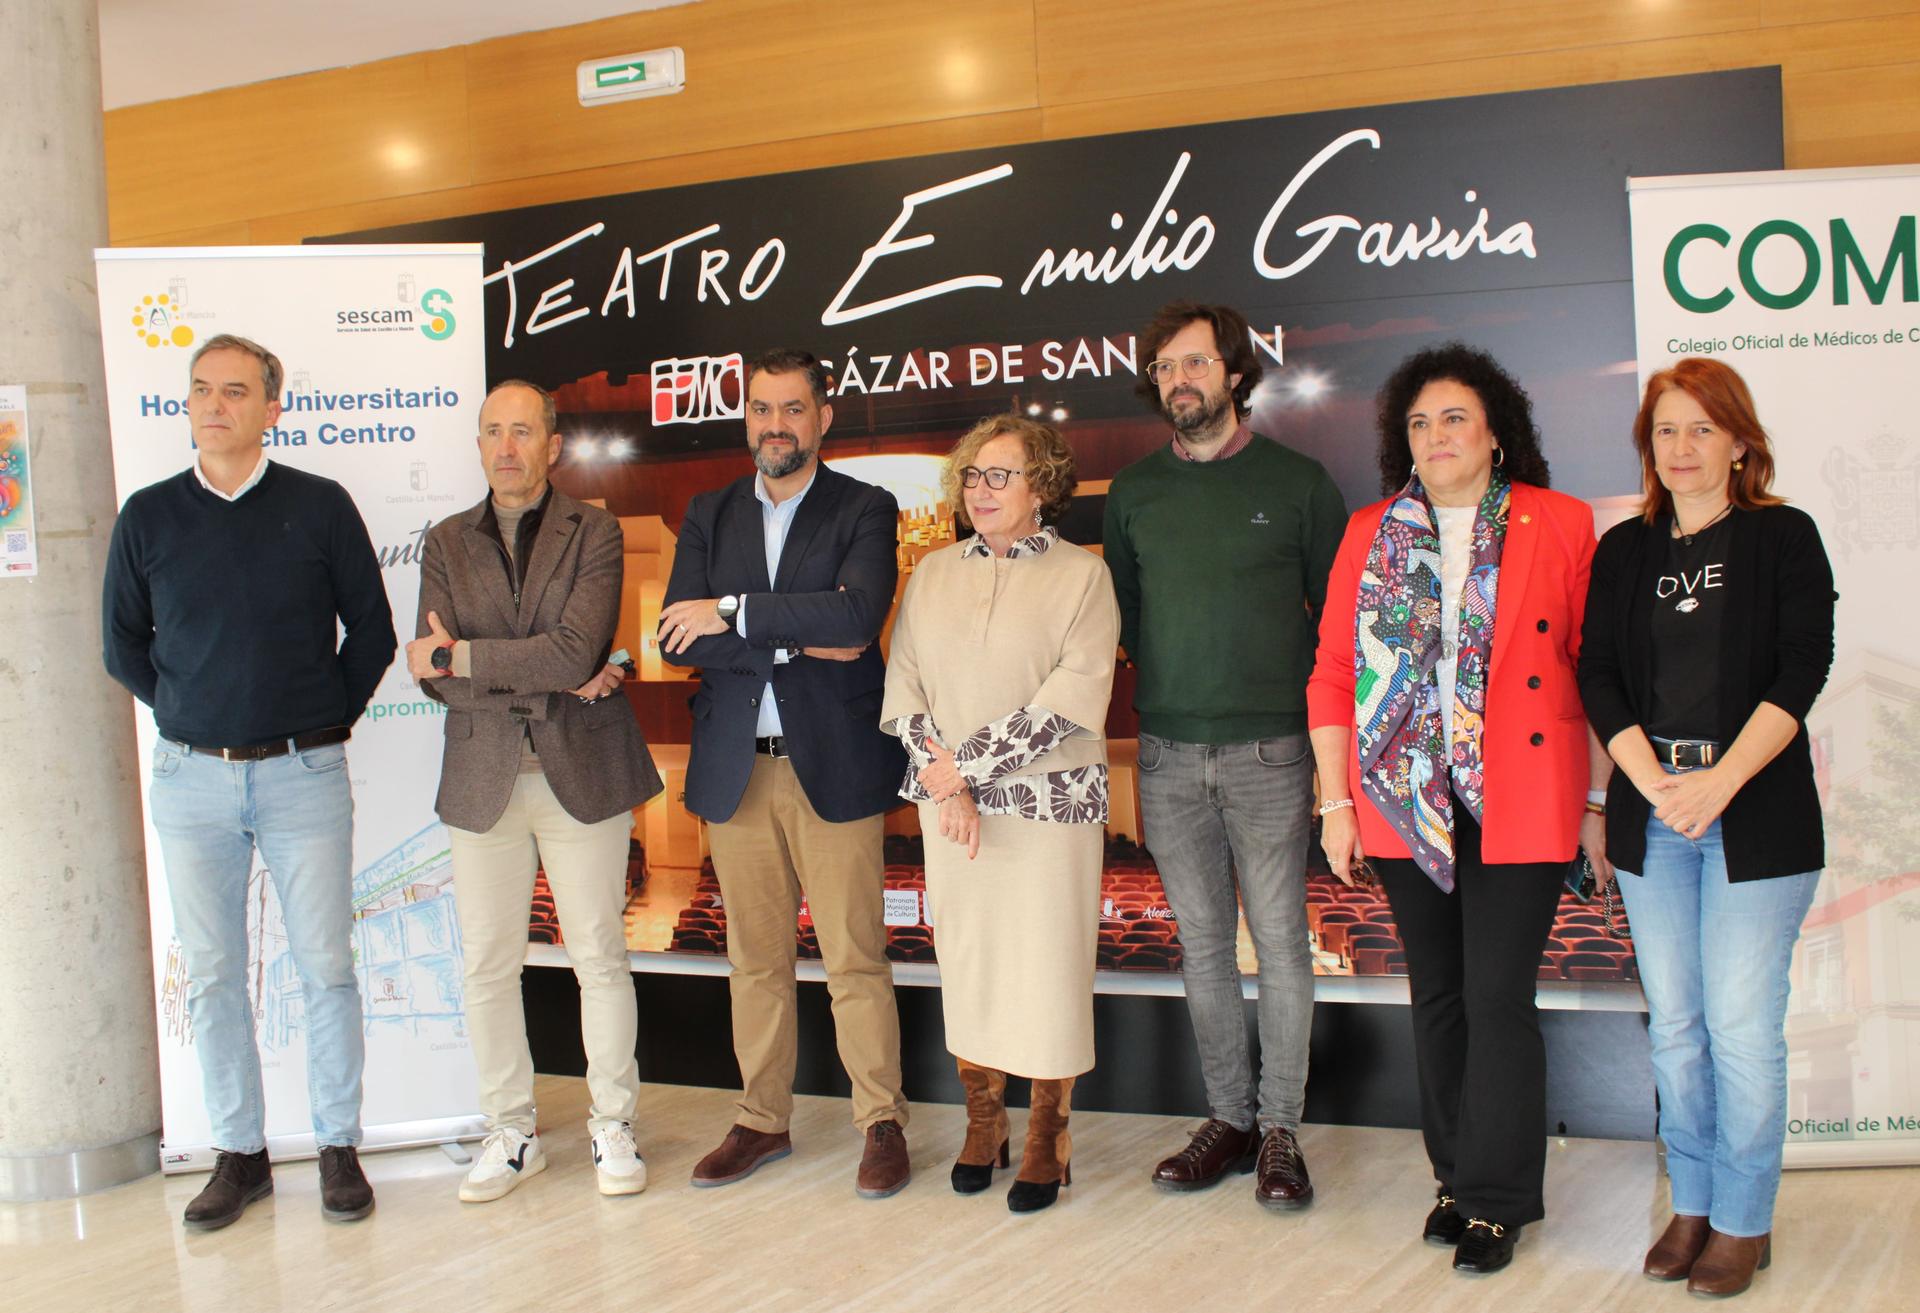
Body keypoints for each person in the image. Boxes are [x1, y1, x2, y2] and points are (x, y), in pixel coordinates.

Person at [1305, 342, 1608, 1274]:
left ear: (1495, 433)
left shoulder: (1561, 521)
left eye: (1454, 419)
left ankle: (1500, 1198)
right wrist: (1335, 801)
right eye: (1419, 422)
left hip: (1524, 792)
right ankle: (1455, 1177)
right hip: (1404, 797)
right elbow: (1334, 673)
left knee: (1496, 997)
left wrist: (1597, 799)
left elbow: (1596, 670)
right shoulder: (1371, 531)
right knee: (1436, 995)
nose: (1436, 436)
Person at [102, 334, 393, 1230]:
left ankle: (337, 1145)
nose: (215, 405)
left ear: (273, 407)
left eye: (235, 391)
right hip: (192, 780)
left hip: (305, 773)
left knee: (325, 968)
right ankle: (240, 1154)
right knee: (215, 973)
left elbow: (373, 632)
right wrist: (189, 710)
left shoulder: (320, 505)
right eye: (201, 389)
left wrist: (324, 718)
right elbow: (123, 645)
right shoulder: (148, 516)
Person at [1578, 357, 1834, 1298]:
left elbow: (1803, 668)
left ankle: (1742, 1219)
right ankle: (1691, 1202)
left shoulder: (1783, 536)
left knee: (1740, 1028)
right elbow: (1599, 672)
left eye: (1701, 428)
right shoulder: (1625, 548)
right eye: (1665, 430)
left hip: (1754, 810)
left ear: (1738, 443)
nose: (1681, 447)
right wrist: (1651, 782)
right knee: (1677, 1028)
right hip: (1655, 808)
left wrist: (1719, 782)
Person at [1102, 301, 1346, 1208]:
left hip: (1271, 752)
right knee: (1203, 946)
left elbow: (1337, 628)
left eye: (1195, 363)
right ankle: (1229, 1119)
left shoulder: (1301, 484)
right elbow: (1126, 618)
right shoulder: (1133, 492)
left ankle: (1280, 1130)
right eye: (1165, 367)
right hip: (1167, 754)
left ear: (1236, 374)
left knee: (1280, 942)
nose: (1179, 380)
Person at [660, 348, 912, 1198]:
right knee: (755, 961)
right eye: (762, 409)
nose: (777, 425)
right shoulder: (708, 512)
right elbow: (677, 636)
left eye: (793, 408)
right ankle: (762, 1119)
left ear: (822, 416)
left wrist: (732, 611)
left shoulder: (864, 506)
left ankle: (880, 1121)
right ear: (747, 418)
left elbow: (857, 619)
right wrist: (800, 634)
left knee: (855, 958)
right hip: (738, 769)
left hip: (831, 765)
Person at [405, 380, 663, 1203]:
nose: (507, 446)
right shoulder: (445, 541)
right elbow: (430, 676)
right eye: (493, 431)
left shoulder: (595, 530)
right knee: (486, 965)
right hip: (482, 777)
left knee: (600, 957)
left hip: (581, 770)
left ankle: (613, 1123)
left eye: (522, 431)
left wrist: (467, 656)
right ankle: (510, 1130)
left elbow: (574, 649)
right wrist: (536, 669)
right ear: (479, 444)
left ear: (552, 444)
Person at [881, 415, 1119, 1214]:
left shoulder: (1083, 575)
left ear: (1041, 485)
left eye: (999, 475)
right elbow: (904, 684)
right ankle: (985, 1122)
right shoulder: (931, 574)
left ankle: (1050, 1132)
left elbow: (1074, 692)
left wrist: (967, 766)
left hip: (1051, 809)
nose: (979, 490)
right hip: (955, 813)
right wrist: (947, 784)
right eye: (971, 476)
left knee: (1048, 966)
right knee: (971, 963)